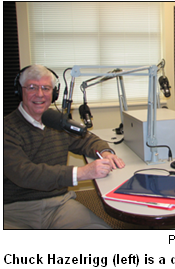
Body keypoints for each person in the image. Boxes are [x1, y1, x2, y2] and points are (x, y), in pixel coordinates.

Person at [4, 64, 125, 229]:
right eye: (32, 87)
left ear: (54, 93)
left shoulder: (57, 122)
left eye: (46, 88)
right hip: (14, 211)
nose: (40, 94)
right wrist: (81, 172)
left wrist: (105, 151)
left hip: (59, 204)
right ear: (20, 91)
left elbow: (87, 139)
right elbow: (25, 174)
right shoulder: (6, 128)